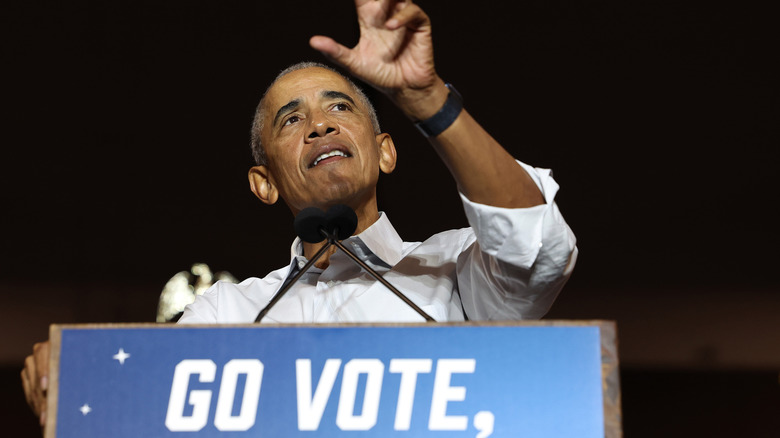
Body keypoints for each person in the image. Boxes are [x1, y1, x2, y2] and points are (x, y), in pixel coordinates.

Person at [22, 0, 577, 428]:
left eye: (340, 106)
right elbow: (155, 409)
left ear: (385, 150)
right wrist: (77, 377)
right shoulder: (229, 313)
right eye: (291, 120)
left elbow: (537, 249)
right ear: (264, 185)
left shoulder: (453, 270)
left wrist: (426, 98)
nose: (320, 124)